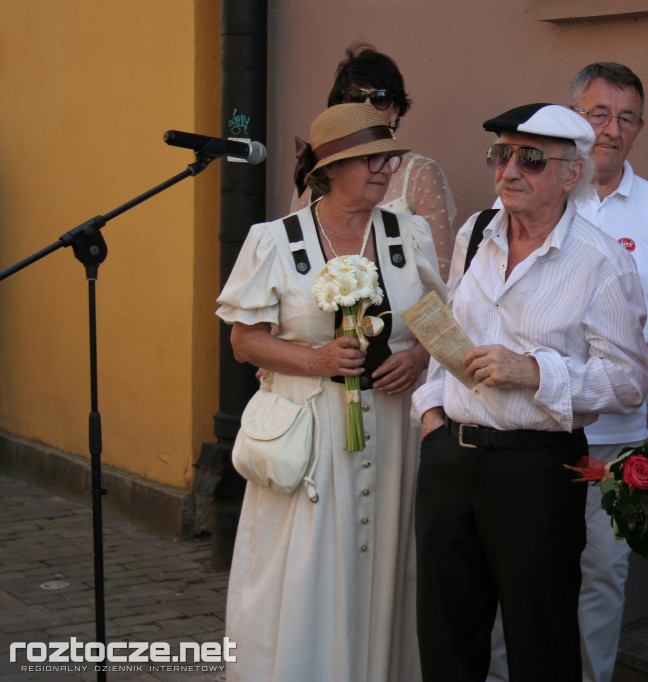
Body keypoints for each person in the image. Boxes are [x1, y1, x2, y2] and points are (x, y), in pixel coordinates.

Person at [412, 103, 648, 682]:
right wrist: (432, 419)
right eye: (501, 154)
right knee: (446, 638)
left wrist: (536, 372)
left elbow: (628, 383)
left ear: (571, 173)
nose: (509, 171)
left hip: (535, 470)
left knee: (539, 643)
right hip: (452, 456)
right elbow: (446, 333)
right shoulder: (475, 235)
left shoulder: (602, 262)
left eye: (531, 158)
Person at [486, 62, 648, 682]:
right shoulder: (528, 189)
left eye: (626, 118)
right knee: (518, 569)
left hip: (615, 436)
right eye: (598, 114)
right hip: (531, 430)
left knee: (602, 572)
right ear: (571, 119)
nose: (611, 129)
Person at [218, 102, 445, 682]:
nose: (384, 168)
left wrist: (417, 358)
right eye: (369, 158)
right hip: (310, 432)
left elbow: (436, 322)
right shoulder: (276, 240)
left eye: (388, 157)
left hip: (391, 432)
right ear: (331, 169)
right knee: (307, 567)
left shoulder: (405, 233)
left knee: (388, 566)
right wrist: (314, 359)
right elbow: (245, 341)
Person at [294, 43, 458, 280]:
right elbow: (294, 264)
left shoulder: (420, 173)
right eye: (355, 97)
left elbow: (439, 275)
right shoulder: (318, 168)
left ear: (395, 110)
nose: (367, 107)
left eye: (380, 98)